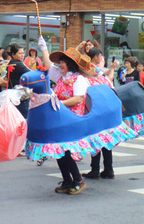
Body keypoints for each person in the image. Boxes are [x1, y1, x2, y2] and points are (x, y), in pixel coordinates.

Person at [40, 39, 90, 195]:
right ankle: (67, 180)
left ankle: (78, 180)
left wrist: (58, 103)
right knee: (59, 150)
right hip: (59, 118)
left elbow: (78, 98)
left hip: (71, 120)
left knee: (66, 151)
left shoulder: (79, 79)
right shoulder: (62, 78)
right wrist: (44, 48)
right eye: (59, 62)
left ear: (70, 64)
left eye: (62, 62)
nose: (59, 65)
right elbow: (48, 64)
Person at [5, 44, 31, 119]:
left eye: (23, 53)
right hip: (21, 98)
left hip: (12, 96)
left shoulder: (10, 63)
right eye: (20, 53)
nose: (22, 55)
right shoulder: (18, 65)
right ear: (13, 54)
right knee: (24, 120)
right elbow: (31, 74)